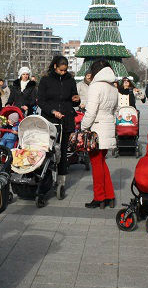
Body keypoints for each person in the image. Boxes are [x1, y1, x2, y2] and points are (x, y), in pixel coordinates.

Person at [38, 55, 80, 193]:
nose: (63, 72)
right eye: (61, 70)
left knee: (62, 151)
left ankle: (61, 180)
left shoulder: (70, 79)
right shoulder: (46, 80)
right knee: (48, 149)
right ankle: (45, 177)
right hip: (50, 119)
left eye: (65, 70)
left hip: (66, 119)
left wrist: (76, 100)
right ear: (55, 66)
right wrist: (52, 111)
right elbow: (41, 101)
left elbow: (74, 99)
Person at [81, 59, 118, 208]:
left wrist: (84, 127)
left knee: (96, 164)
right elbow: (116, 110)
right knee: (102, 163)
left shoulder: (95, 86)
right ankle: (109, 196)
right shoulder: (113, 88)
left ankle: (99, 197)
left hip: (96, 129)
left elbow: (91, 112)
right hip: (108, 127)